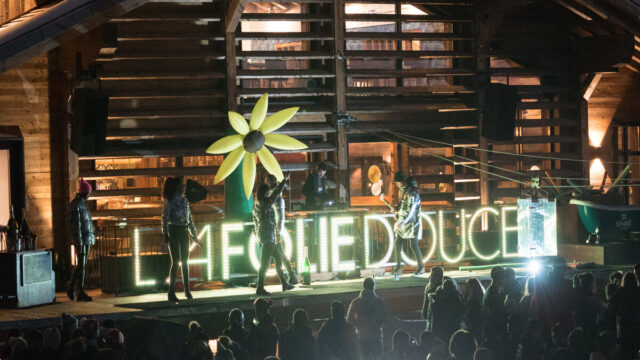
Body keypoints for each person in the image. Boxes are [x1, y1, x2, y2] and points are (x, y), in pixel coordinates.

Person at [253, 177, 294, 295]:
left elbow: (255, 219)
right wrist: (284, 181)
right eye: (266, 192)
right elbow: (276, 194)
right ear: (263, 193)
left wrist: (257, 232)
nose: (268, 193)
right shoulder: (265, 202)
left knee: (277, 258)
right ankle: (260, 288)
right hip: (267, 236)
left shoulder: (256, 204)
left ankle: (284, 284)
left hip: (264, 234)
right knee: (264, 263)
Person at [162, 177, 197, 302]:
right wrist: (166, 233)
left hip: (183, 231)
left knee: (185, 261)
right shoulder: (171, 202)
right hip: (175, 231)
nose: (183, 187)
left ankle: (186, 290)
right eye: (181, 185)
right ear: (177, 187)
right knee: (176, 261)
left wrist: (194, 233)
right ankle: (172, 291)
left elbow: (190, 219)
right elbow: (165, 218)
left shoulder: (184, 201)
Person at [67, 179, 96, 302]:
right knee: (81, 265)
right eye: (88, 192)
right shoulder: (77, 205)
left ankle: (80, 291)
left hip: (86, 238)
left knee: (82, 265)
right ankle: (73, 286)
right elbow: (76, 226)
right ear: (84, 192)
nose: (89, 195)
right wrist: (78, 241)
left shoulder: (81, 203)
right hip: (82, 239)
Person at [266, 174, 297, 285]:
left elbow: (279, 216)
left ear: (271, 182)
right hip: (275, 229)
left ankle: (290, 276)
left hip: (274, 229)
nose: (266, 183)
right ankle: (290, 276)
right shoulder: (276, 194)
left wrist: (277, 231)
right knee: (278, 254)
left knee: (269, 255)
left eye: (267, 181)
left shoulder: (274, 194)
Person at [347, 277, 388, 360]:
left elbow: (350, 320)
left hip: (362, 339)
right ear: (373, 287)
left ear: (363, 286)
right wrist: (376, 323)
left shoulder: (356, 302)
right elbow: (385, 320)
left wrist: (359, 324)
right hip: (376, 338)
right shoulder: (379, 302)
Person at [392, 172, 424, 275]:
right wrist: (397, 211)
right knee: (398, 243)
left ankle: (420, 267)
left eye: (397, 183)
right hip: (405, 222)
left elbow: (411, 209)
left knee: (413, 244)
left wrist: (403, 221)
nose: (397, 185)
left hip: (411, 222)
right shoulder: (405, 191)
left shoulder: (411, 192)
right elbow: (403, 206)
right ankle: (398, 267)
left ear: (401, 182)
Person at [431, 279, 464, 344]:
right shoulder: (456, 296)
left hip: (442, 328)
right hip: (453, 326)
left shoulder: (438, 297)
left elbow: (434, 313)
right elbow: (461, 310)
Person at [423, 266, 444, 331]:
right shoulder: (428, 287)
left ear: (437, 277)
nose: (429, 277)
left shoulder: (440, 291)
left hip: (437, 324)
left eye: (431, 275)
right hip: (431, 321)